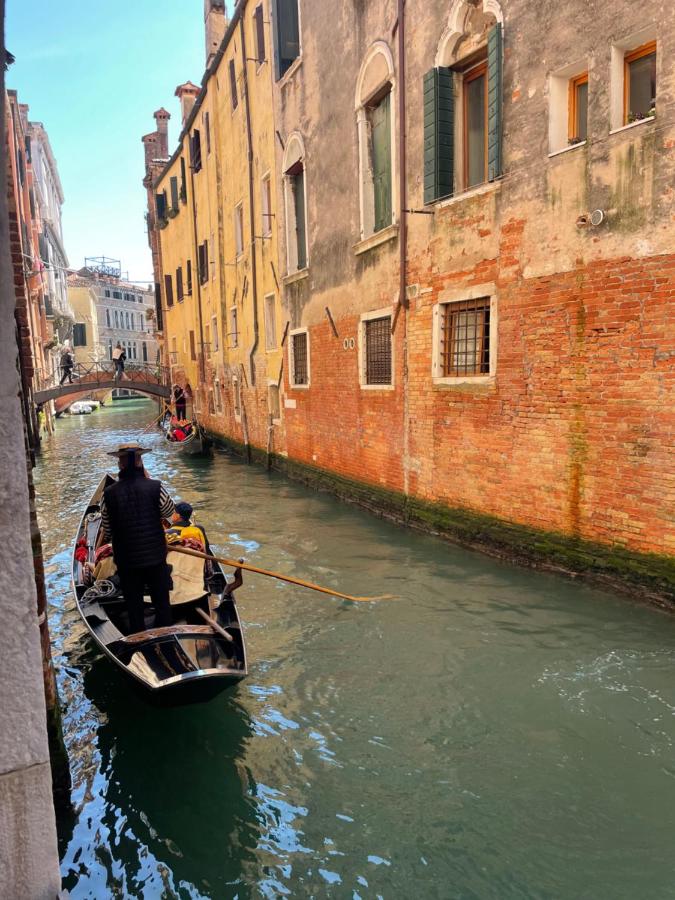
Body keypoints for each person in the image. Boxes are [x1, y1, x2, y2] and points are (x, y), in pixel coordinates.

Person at [100, 442, 175, 633]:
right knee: (161, 602)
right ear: (140, 462)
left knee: (134, 605)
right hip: (156, 558)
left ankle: (140, 642)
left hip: (127, 561)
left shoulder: (108, 494)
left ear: (121, 465)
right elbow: (169, 512)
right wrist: (148, 481)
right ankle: (165, 638)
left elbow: (107, 530)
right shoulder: (155, 487)